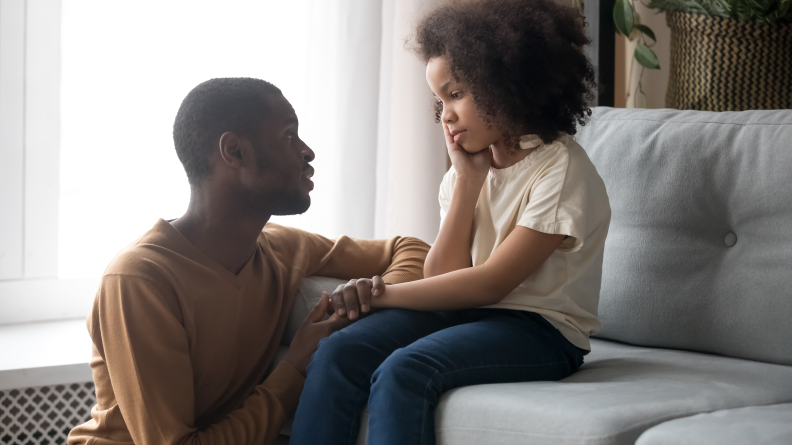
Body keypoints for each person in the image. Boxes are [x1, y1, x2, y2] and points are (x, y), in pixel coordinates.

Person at [289, 0, 611, 444]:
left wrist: (382, 296)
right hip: (468, 317)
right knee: (339, 351)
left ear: (504, 83)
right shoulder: (466, 174)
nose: (446, 115)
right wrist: (467, 180)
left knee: (406, 370)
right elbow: (443, 277)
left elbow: (491, 283)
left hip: (541, 332)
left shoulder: (559, 170)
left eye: (456, 94)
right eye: (439, 101)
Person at [67, 78, 429, 445]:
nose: (308, 152)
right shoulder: (139, 280)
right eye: (290, 136)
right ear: (235, 151)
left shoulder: (281, 248)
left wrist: (374, 297)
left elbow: (411, 248)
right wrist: (293, 369)